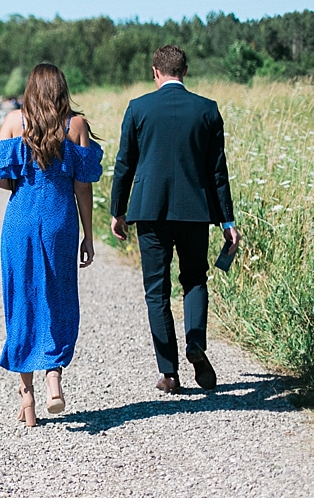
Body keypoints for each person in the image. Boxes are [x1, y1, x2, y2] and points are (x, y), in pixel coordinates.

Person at [109, 45, 241, 395]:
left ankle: (169, 372)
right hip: (195, 211)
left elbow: (125, 164)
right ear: (185, 70)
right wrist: (227, 220)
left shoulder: (138, 108)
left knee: (157, 291)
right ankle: (195, 343)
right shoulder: (207, 110)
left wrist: (117, 211)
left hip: (149, 211)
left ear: (155, 71)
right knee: (195, 280)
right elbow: (218, 173)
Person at [0, 63, 103, 427]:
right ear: (61, 88)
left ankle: (28, 400)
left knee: (21, 298)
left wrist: (22, 183)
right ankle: (54, 379)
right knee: (57, 294)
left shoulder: (13, 121)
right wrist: (89, 234)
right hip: (60, 220)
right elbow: (83, 185)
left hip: (21, 219)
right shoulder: (76, 125)